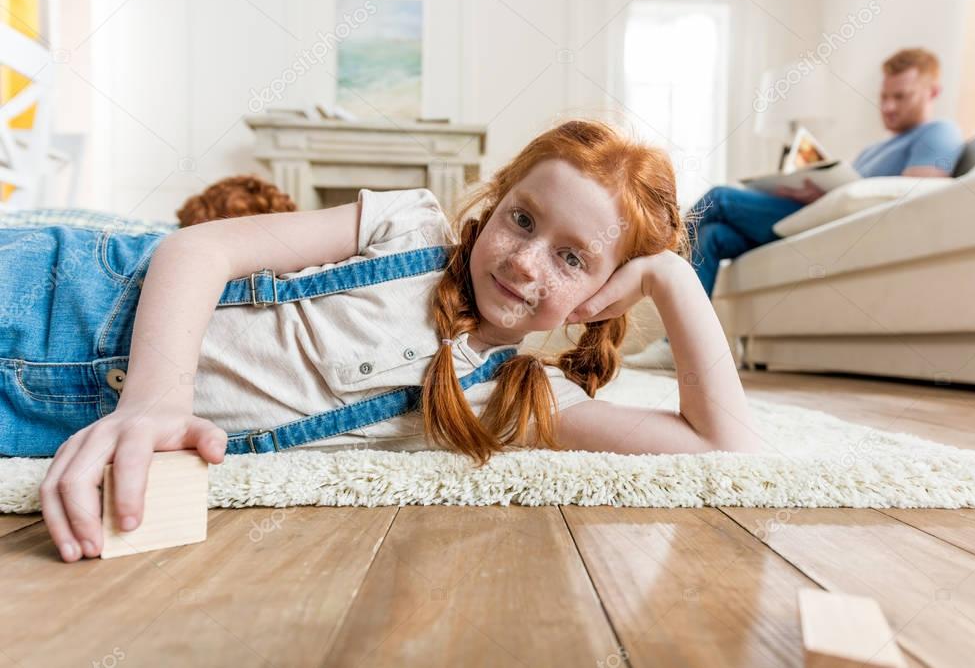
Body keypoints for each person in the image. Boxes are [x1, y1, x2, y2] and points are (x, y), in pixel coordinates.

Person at [0, 119, 763, 563]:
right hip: (67, 292)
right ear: (495, 204)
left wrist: (672, 277)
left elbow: (723, 447)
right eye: (522, 219)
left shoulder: (516, 398)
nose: (524, 260)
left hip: (43, 419)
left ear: (600, 295)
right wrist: (153, 401)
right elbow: (195, 251)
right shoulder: (410, 225)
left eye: (572, 258)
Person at [625, 47, 965, 369]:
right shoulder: (876, 149)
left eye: (901, 96)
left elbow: (917, 192)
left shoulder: (939, 132)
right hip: (813, 211)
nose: (888, 106)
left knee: (720, 198)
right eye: (884, 96)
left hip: (832, 222)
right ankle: (677, 347)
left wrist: (830, 194)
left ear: (933, 92)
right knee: (713, 236)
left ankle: (643, 250)